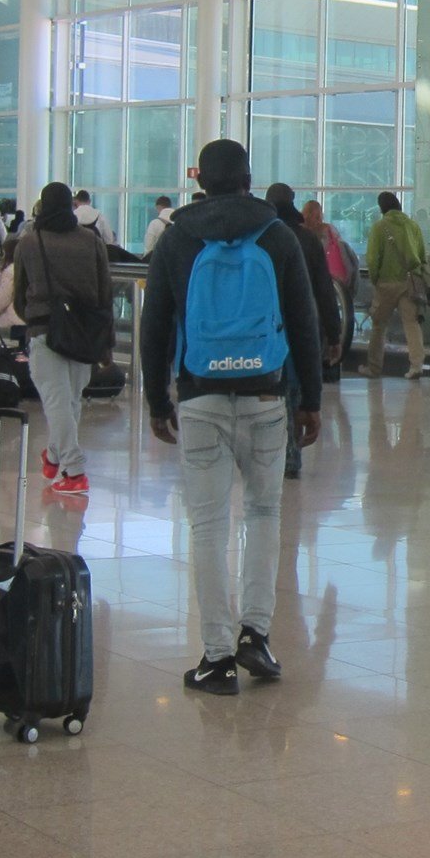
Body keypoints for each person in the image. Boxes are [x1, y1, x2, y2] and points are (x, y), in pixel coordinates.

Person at [142, 140, 322, 696]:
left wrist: (156, 400)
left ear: (202, 181)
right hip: (267, 396)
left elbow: (155, 325)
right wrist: (309, 399)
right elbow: (303, 320)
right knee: (265, 515)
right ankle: (257, 635)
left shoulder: (177, 238)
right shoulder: (277, 235)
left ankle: (217, 657)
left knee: (209, 526)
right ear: (248, 178)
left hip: (200, 398)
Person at [10, 183, 112, 495]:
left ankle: (75, 470)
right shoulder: (90, 240)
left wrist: (33, 320)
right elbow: (105, 291)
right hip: (84, 331)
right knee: (69, 402)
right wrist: (104, 339)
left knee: (57, 402)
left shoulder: (29, 241)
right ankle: (54, 456)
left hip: (45, 329)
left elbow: (18, 295)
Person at [265, 182, 343, 478]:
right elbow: (324, 290)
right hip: (301, 329)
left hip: (266, 332)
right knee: (294, 391)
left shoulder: (259, 237)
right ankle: (291, 458)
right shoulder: (307, 240)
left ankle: (267, 459)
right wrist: (334, 334)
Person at [364, 191, 427, 380]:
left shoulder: (380, 227)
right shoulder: (413, 226)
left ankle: (374, 368)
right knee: (411, 323)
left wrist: (375, 279)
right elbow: (422, 255)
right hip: (410, 282)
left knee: (379, 325)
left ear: (381, 207)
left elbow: (373, 258)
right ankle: (416, 365)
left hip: (386, 283)